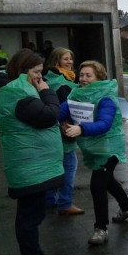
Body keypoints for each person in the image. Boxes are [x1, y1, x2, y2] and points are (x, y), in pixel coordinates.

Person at [0, 49, 65, 255]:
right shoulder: (19, 95)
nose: (40, 78)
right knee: (29, 217)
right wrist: (47, 92)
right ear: (22, 71)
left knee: (33, 214)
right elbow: (48, 116)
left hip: (33, 166)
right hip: (29, 168)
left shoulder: (20, 91)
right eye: (36, 72)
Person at [60, 61, 128, 245]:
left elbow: (105, 123)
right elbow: (59, 112)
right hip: (93, 147)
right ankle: (127, 208)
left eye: (89, 75)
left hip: (109, 147)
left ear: (99, 78)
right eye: (81, 75)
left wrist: (81, 129)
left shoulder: (106, 98)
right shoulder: (76, 94)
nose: (84, 79)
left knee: (97, 184)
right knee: (108, 180)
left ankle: (100, 229)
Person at [42, 47, 84, 215]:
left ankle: (49, 199)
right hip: (62, 131)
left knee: (53, 166)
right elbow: (69, 106)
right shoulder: (62, 83)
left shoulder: (47, 79)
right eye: (65, 59)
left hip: (49, 131)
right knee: (69, 165)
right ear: (56, 61)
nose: (70, 62)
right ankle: (65, 202)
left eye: (71, 59)